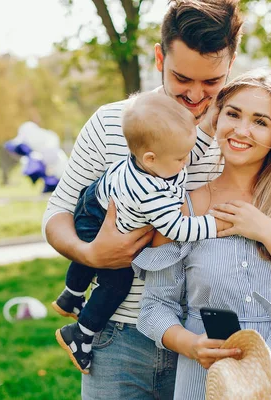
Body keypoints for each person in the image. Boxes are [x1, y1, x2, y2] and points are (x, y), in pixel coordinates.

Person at [42, 1, 271, 398]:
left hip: (211, 338)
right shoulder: (112, 122)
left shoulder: (237, 133)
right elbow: (57, 213)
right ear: (160, 57)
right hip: (116, 337)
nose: (195, 96)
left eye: (212, 82)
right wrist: (90, 255)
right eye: (181, 78)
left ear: (230, 67)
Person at [134, 69, 271, 399]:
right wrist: (191, 344)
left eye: (260, 121)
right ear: (217, 117)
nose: (241, 130)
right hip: (208, 380)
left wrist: (270, 232)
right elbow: (155, 306)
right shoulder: (185, 208)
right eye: (233, 114)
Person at [53, 92, 228, 374]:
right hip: (97, 215)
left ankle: (71, 294)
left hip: (94, 202)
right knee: (116, 281)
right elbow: (176, 227)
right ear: (151, 158)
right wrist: (215, 225)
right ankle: (81, 333)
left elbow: (187, 151)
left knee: (92, 245)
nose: (187, 162)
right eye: (181, 158)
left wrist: (206, 126)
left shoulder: (156, 160)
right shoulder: (149, 192)